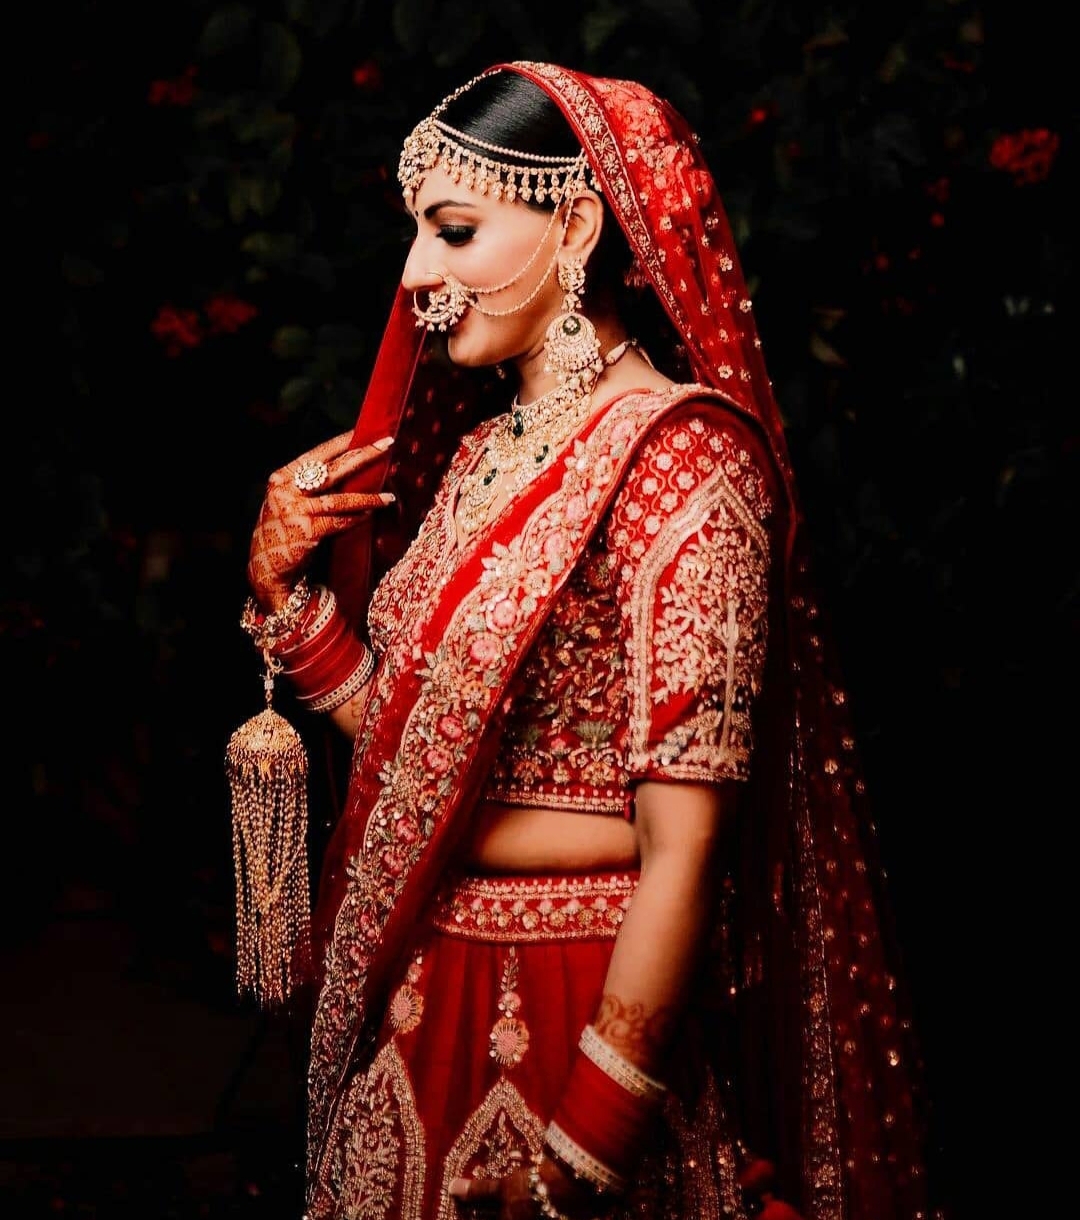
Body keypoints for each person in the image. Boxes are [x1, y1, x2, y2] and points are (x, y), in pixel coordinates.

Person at [232, 62, 942, 1220]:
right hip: (428, 1000)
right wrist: (287, 596)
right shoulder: (480, 458)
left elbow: (684, 850)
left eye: (455, 231)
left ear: (575, 225)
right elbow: (415, 751)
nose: (416, 273)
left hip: (582, 1008)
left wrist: (584, 1150)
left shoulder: (685, 464)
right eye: (416, 234)